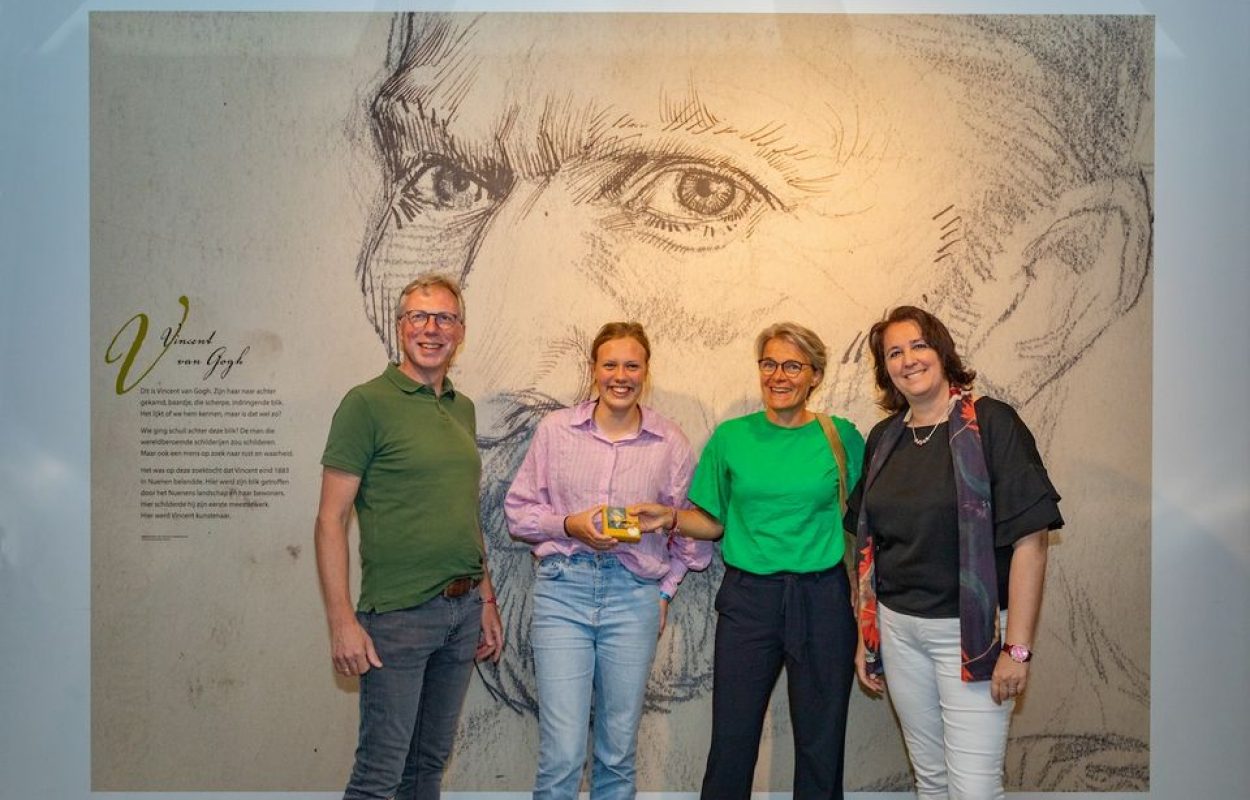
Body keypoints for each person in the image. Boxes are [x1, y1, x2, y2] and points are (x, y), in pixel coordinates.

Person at [353, 14, 1152, 788]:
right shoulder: (793, 440)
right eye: (446, 178)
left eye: (700, 191)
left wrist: (1008, 647)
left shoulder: (863, 436)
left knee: (868, 764)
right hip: (780, 609)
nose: (495, 366)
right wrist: (666, 521)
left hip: (867, 619)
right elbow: (718, 520)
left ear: (1049, 288)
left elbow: (997, 538)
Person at [634, 322, 864, 800]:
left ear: (815, 375)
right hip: (749, 600)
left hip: (822, 598)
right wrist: (669, 518)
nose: (778, 376)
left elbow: (868, 523)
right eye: (769, 363)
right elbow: (713, 523)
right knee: (733, 739)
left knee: (822, 740)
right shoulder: (731, 437)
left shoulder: (840, 436)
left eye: (792, 366)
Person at [848, 305, 1063, 799]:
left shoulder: (991, 423)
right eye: (894, 353)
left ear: (942, 352)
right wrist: (867, 635)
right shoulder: (884, 439)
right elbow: (867, 547)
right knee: (932, 780)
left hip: (972, 635)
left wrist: (1018, 648)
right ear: (886, 370)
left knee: (973, 788)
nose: (908, 360)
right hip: (899, 631)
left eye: (918, 345)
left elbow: (1031, 541)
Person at [314, 273, 504, 800]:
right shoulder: (366, 404)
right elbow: (330, 519)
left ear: (460, 331)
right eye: (419, 316)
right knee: (380, 775)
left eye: (444, 317)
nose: (431, 328)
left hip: (461, 614)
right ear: (401, 327)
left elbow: (465, 513)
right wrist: (341, 621)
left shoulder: (461, 408)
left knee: (427, 769)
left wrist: (485, 598)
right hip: (396, 619)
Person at [504, 322, 712, 800]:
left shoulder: (670, 442)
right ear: (594, 369)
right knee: (562, 752)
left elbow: (692, 533)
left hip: (632, 598)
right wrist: (570, 525)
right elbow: (518, 513)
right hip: (562, 590)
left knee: (617, 752)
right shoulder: (557, 431)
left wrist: (664, 592)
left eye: (632, 365)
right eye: (610, 364)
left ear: (646, 372)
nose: (621, 375)